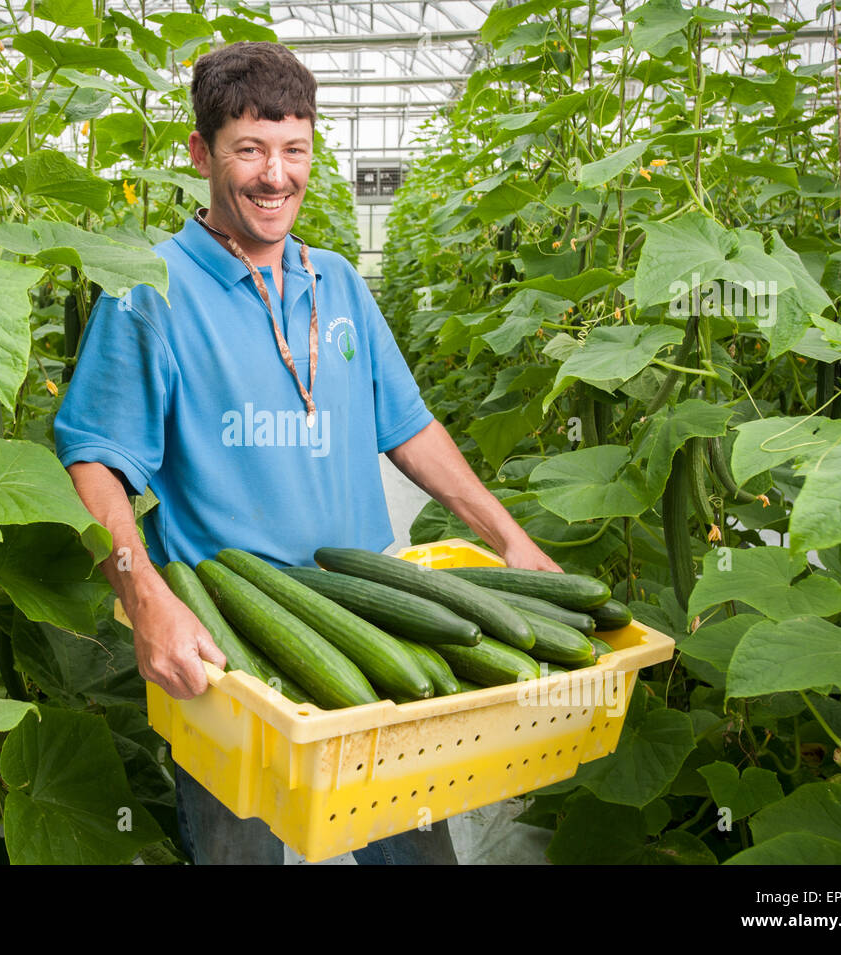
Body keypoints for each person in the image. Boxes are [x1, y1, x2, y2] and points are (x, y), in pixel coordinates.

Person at [54, 41, 560, 865]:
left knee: (412, 853)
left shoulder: (338, 282)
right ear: (200, 154)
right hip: (231, 657)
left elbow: (410, 428)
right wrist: (145, 595)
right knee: (235, 855)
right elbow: (94, 460)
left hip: (367, 623)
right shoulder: (149, 289)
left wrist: (509, 538)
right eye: (248, 149)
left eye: (293, 149)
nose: (273, 175)